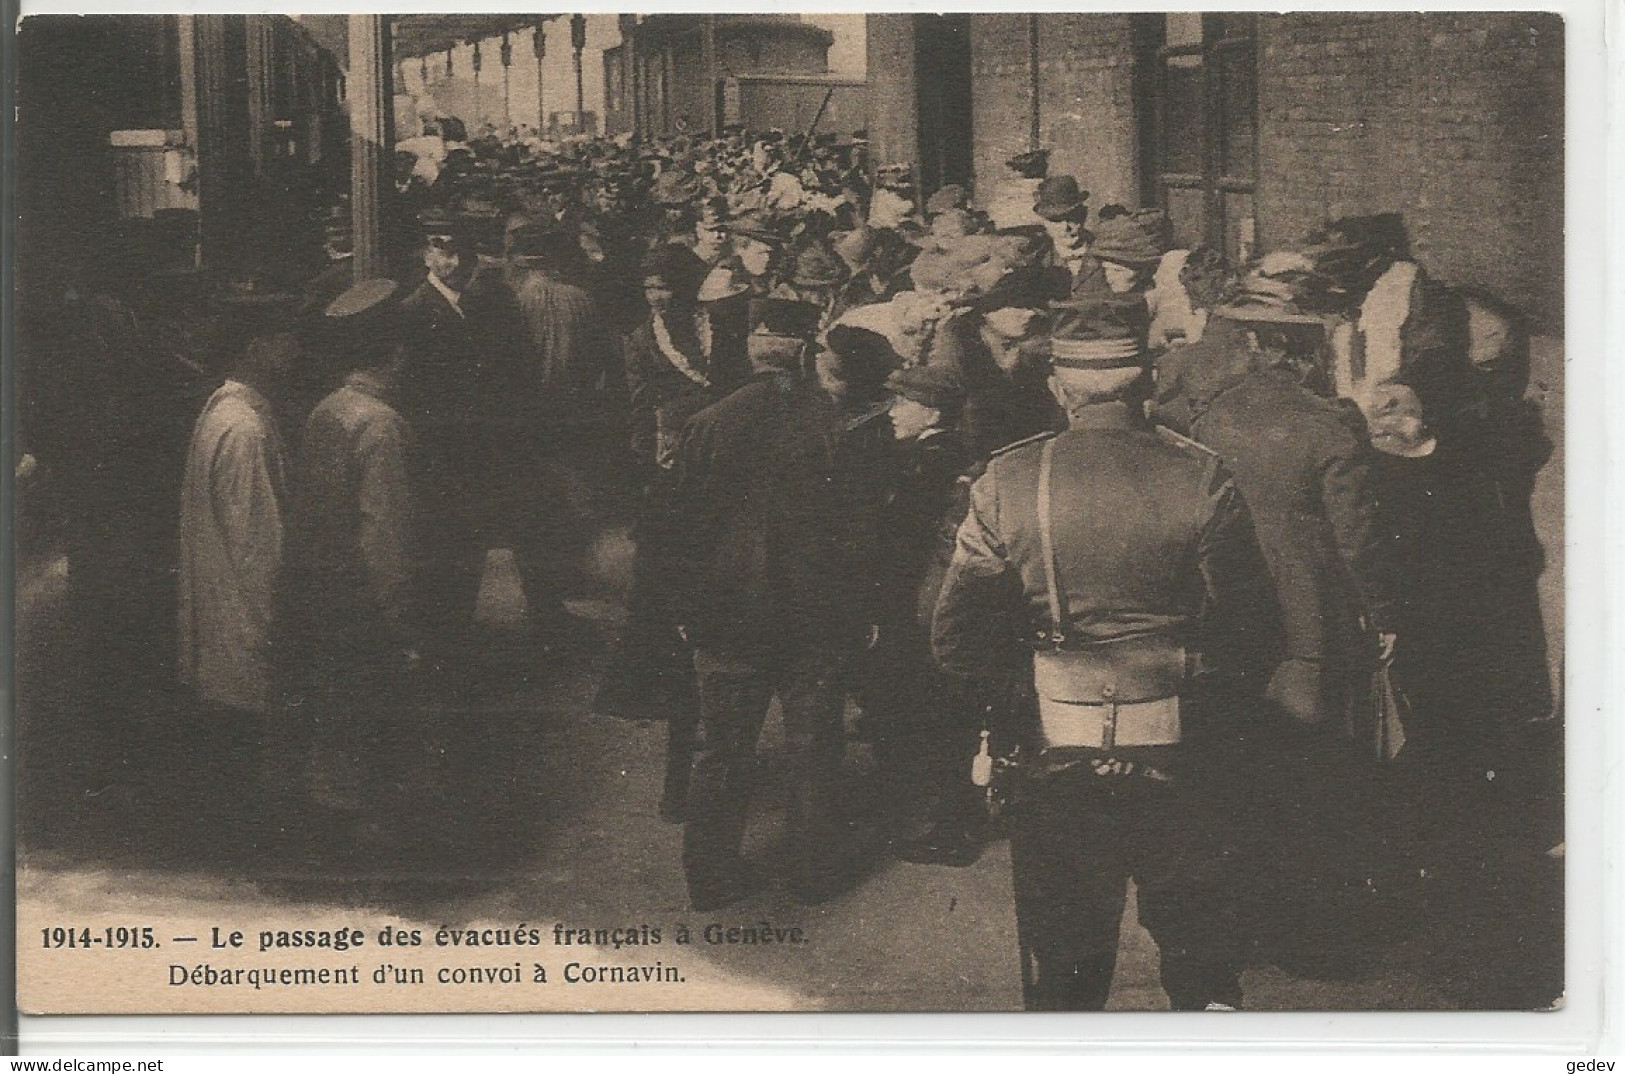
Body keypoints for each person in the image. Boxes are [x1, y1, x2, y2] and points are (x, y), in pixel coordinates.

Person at [931, 307, 1274, 1011]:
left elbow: (956, 639)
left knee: (1063, 959)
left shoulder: (1008, 478)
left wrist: (1022, 689)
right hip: (1183, 748)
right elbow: (1250, 631)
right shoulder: (1201, 475)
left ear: (1059, 387)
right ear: (1144, 384)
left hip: (1055, 750)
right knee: (1201, 957)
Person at [669, 298, 888, 909]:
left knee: (722, 748)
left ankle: (708, 877)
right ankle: (812, 872)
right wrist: (860, 610)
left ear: (750, 348)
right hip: (813, 616)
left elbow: (678, 528)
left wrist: (686, 608)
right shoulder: (834, 425)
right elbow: (858, 531)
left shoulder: (708, 421)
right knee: (816, 745)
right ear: (808, 351)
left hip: (726, 613)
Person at [287, 279, 425, 846]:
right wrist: (400, 616)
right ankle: (359, 835)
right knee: (370, 713)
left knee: (333, 707)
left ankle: (326, 817)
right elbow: (384, 532)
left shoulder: (326, 411)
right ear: (395, 352)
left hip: (321, 584)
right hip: (366, 595)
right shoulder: (383, 425)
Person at [176, 324, 298, 843]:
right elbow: (257, 543)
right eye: (283, 338)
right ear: (256, 346)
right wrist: (279, 619)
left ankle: (232, 832)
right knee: (244, 727)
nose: (293, 350)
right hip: (241, 604)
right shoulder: (244, 428)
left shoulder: (222, 411)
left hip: (220, 602)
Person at [870, 359, 985, 866]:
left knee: (934, 714)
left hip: (923, 603)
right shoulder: (945, 453)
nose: (893, 411)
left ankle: (948, 828)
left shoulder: (928, 463)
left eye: (903, 402)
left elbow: (901, 542)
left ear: (932, 411)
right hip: (932, 601)